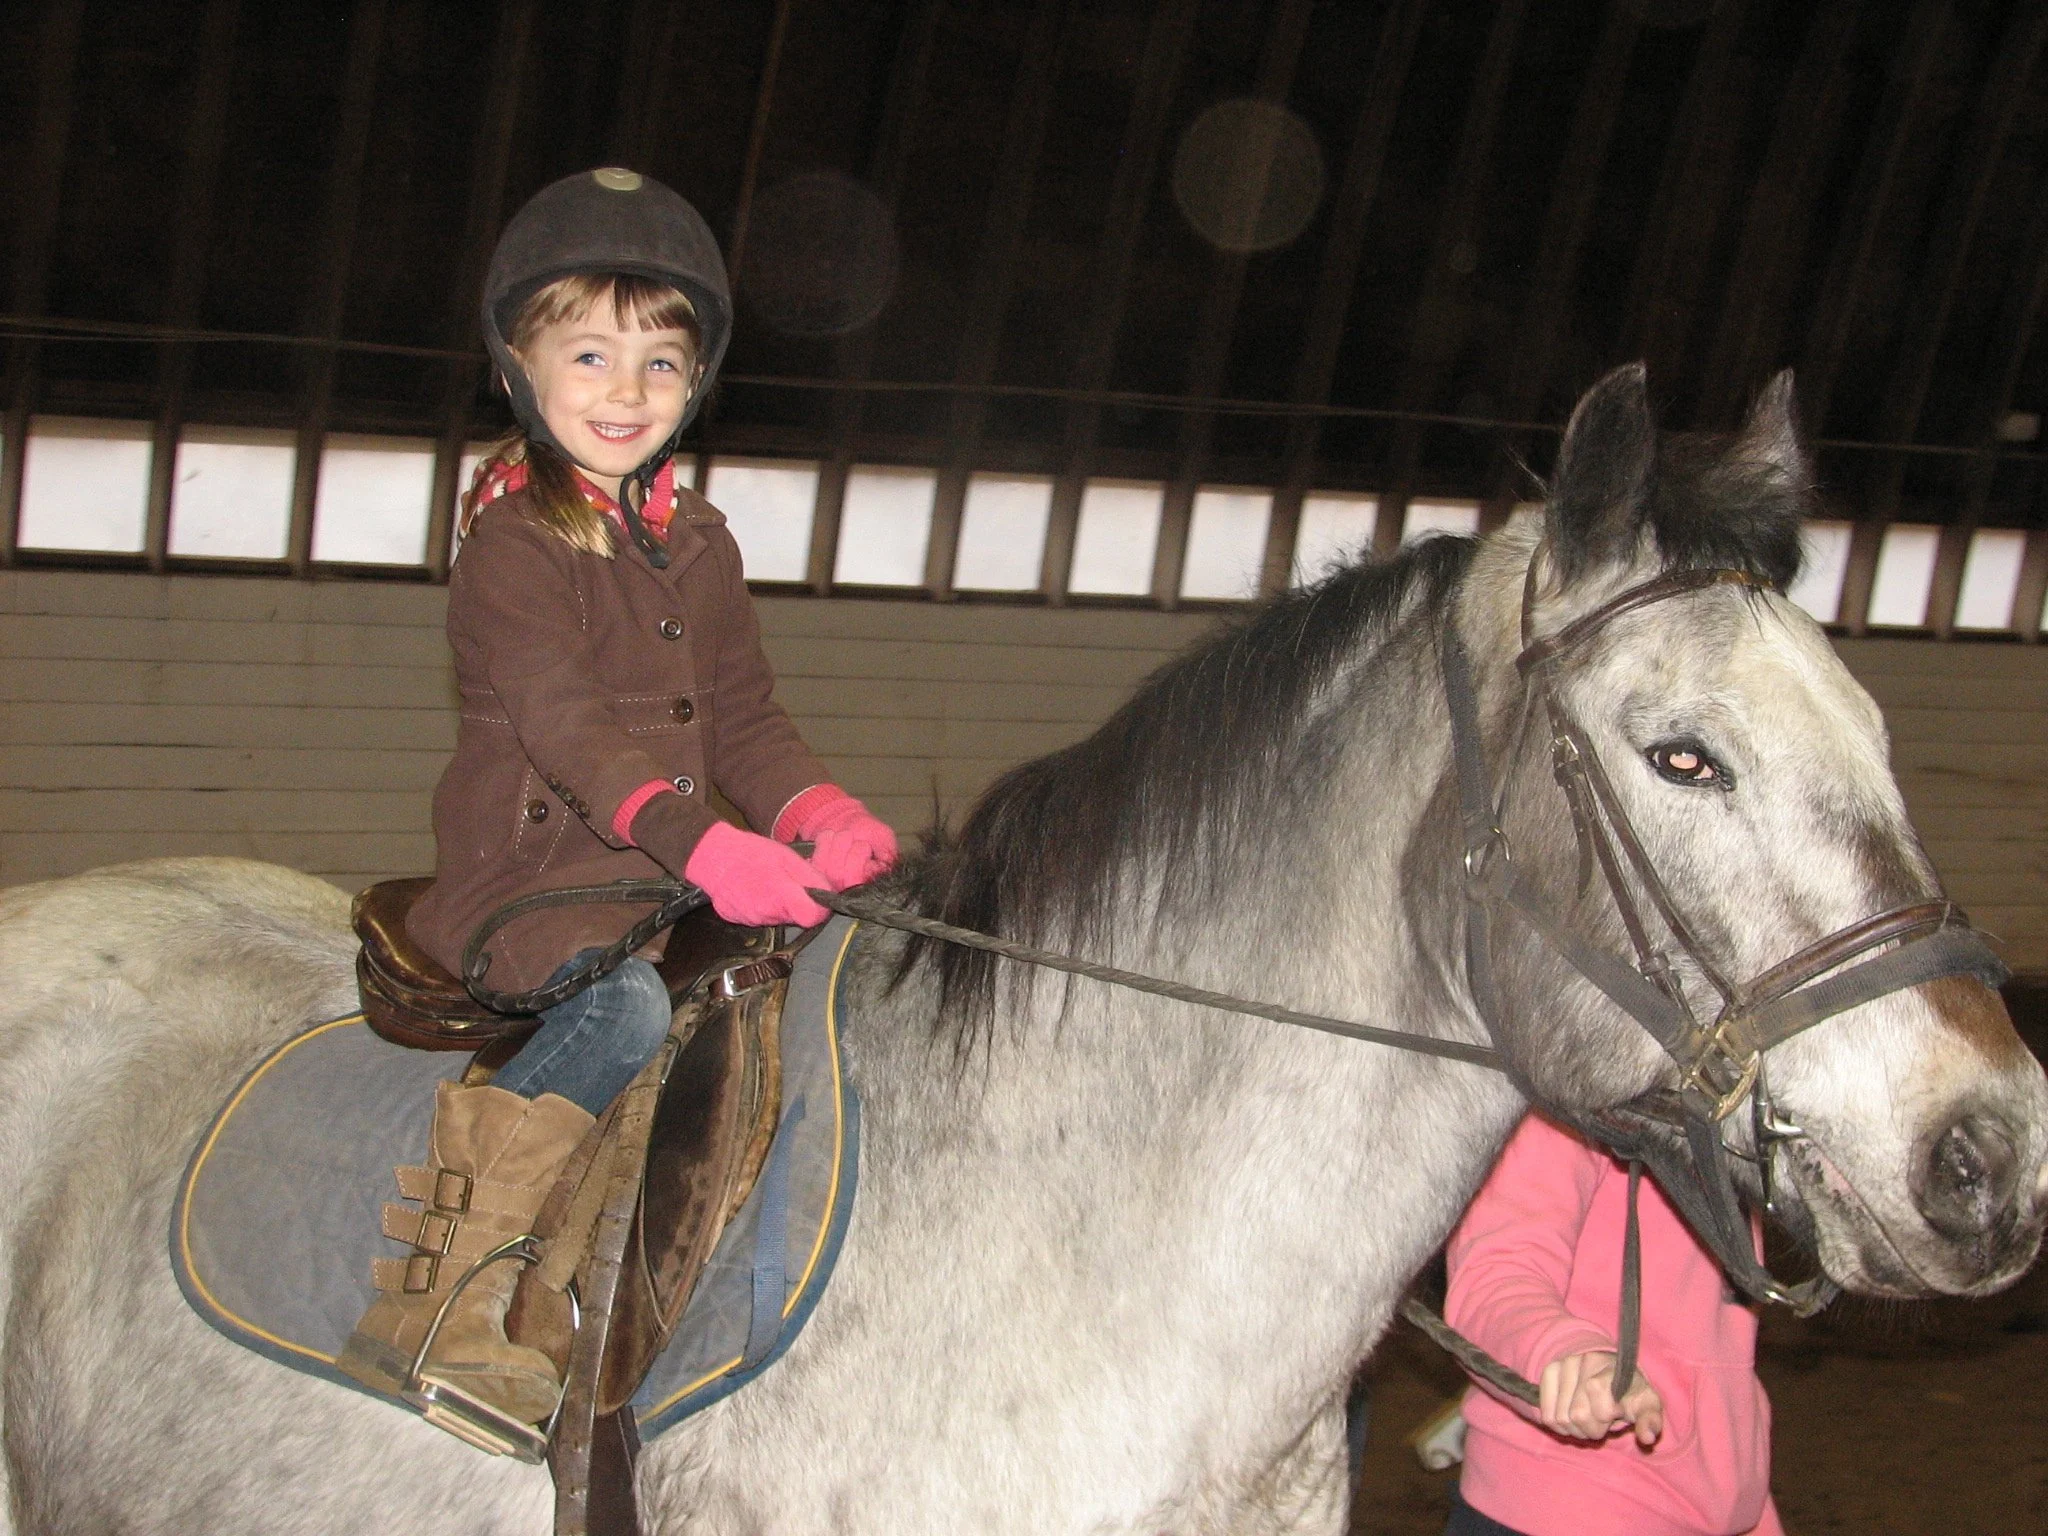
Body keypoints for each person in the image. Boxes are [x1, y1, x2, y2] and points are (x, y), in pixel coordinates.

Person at [336, 168, 897, 1431]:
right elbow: (565, 728)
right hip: (535, 876)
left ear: (692, 383)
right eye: (589, 355)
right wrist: (707, 845)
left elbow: (745, 715)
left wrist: (813, 810)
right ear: (520, 368)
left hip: (658, 862)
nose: (625, 392)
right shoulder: (510, 548)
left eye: (657, 362)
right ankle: (442, 1298)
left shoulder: (700, 541)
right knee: (628, 1005)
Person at [1441, 1111, 1784, 1536]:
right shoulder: (1568, 1096)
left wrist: (1746, 1507)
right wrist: (1565, 1353)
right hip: (1566, 1502)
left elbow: (1717, 1349)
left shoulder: (1720, 1125)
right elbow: (1494, 1273)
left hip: (1698, 1511)